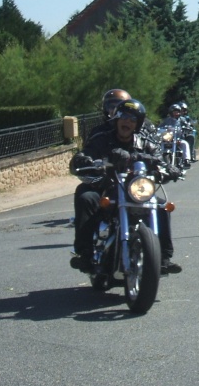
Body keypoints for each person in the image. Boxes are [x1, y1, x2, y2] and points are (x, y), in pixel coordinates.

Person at [70, 99, 183, 274]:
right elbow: (85, 154)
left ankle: (163, 258)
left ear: (137, 124)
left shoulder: (145, 142)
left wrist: (170, 168)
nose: (127, 121)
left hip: (135, 189)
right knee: (86, 196)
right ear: (117, 119)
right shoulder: (102, 138)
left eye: (132, 119)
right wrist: (85, 159)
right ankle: (84, 253)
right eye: (124, 117)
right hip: (106, 186)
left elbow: (159, 158)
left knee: (161, 207)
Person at [161, 104, 192, 169]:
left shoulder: (182, 119)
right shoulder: (167, 120)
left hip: (178, 139)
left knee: (185, 144)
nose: (177, 113)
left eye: (178, 111)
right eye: (175, 111)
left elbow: (187, 125)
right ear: (171, 112)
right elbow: (160, 126)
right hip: (169, 139)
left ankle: (186, 160)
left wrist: (188, 127)